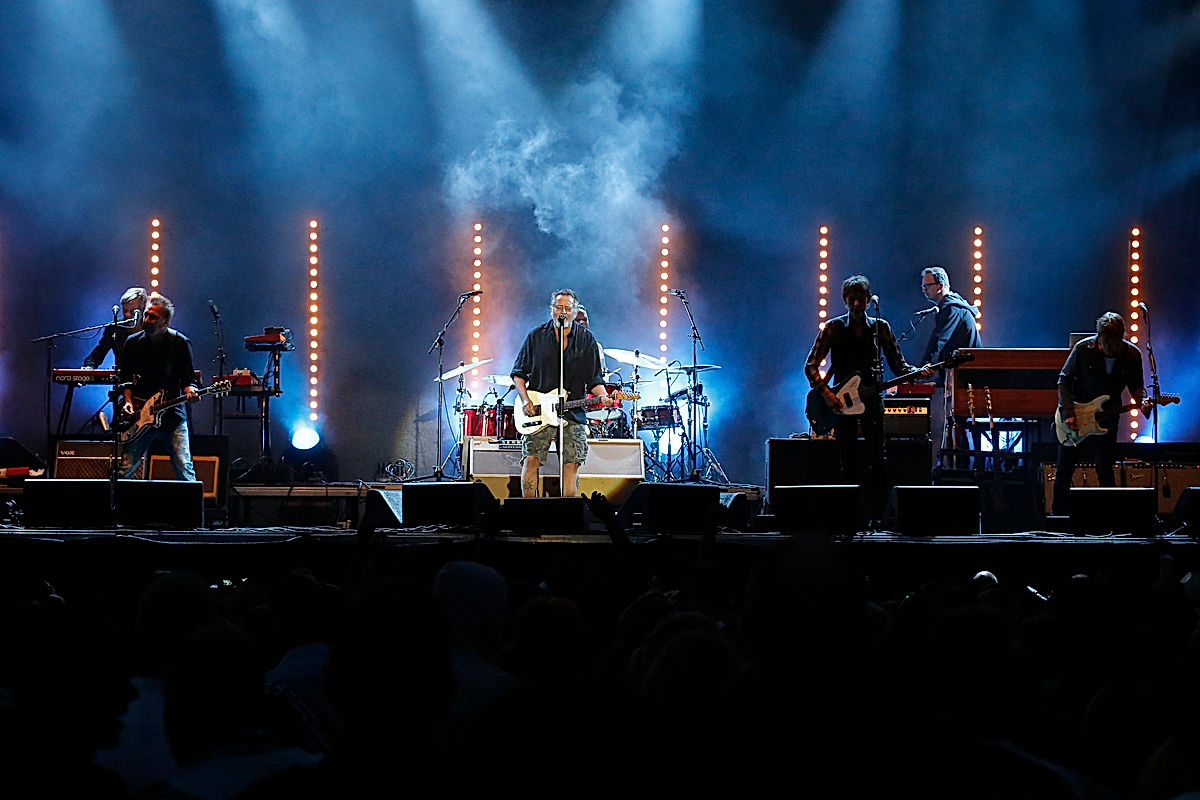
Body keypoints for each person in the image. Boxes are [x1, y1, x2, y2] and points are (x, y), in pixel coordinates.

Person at [805, 275, 928, 522]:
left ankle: (879, 517)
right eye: (852, 300)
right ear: (845, 301)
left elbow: (898, 365)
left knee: (878, 459)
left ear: (869, 301)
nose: (857, 305)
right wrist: (827, 394)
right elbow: (810, 366)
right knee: (848, 459)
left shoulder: (880, 328)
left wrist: (918, 372)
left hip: (872, 400)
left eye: (861, 300)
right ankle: (849, 516)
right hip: (841, 404)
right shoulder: (832, 328)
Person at [511, 289, 613, 498]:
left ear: (575, 312)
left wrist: (604, 397)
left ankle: (568, 513)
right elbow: (518, 374)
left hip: (571, 411)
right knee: (532, 459)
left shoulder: (586, 340)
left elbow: (594, 379)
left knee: (571, 463)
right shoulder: (536, 336)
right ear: (551, 310)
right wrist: (525, 400)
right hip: (538, 410)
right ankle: (529, 514)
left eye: (568, 308)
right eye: (559, 307)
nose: (563, 312)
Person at [1051, 312, 1144, 517]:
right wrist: (1068, 413)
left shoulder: (1131, 355)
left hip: (1107, 419)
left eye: (1115, 342)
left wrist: (1143, 402)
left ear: (1122, 337)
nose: (1111, 347)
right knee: (1063, 472)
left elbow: (1137, 386)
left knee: (1105, 470)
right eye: (1106, 342)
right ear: (1099, 336)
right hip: (1075, 417)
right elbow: (1063, 380)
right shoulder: (1083, 349)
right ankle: (1057, 520)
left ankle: (1107, 521)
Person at [119, 294, 198, 481]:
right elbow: (125, 379)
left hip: (172, 417)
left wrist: (191, 392)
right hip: (139, 417)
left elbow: (188, 379)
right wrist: (128, 402)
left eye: (152, 317)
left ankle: (193, 510)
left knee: (184, 469)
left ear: (166, 321)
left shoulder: (179, 343)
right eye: (146, 315)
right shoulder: (132, 343)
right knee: (125, 470)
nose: (146, 320)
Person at [916, 266, 982, 466]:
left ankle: (958, 471)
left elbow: (939, 341)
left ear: (940, 286)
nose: (924, 289)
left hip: (964, 380)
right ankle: (957, 467)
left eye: (927, 285)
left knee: (955, 427)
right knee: (958, 427)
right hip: (962, 378)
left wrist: (922, 369)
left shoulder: (951, 309)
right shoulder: (955, 307)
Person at [83, 286, 149, 368]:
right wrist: (89, 367)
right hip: (123, 379)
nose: (127, 315)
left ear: (143, 309)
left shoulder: (152, 328)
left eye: (133, 312)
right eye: (125, 310)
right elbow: (95, 356)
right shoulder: (115, 328)